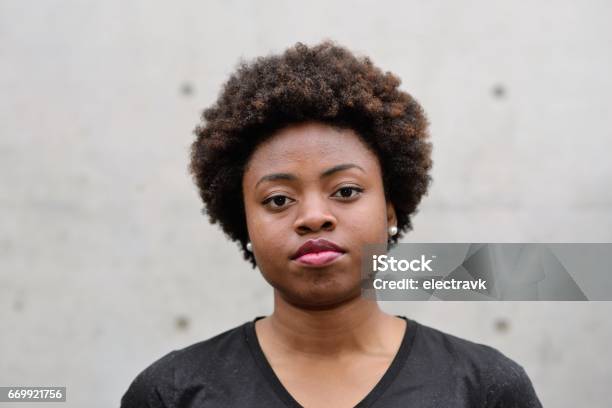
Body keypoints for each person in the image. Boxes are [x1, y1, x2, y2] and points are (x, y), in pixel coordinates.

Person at [121, 41, 542, 407]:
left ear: (390, 210)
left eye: (345, 191)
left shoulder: (485, 388)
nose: (313, 217)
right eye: (278, 200)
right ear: (244, 224)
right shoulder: (171, 394)